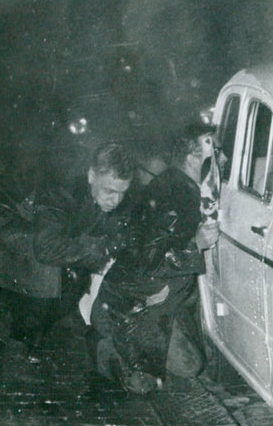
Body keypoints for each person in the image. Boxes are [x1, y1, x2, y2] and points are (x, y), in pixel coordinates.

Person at [91, 121, 222, 394]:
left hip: (153, 297)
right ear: (193, 157)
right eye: (214, 150)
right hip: (133, 305)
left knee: (188, 362)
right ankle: (106, 347)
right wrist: (195, 244)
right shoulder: (177, 196)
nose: (222, 156)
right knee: (161, 377)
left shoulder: (175, 183)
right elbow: (149, 258)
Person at [32, 141, 136, 345]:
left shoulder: (105, 197)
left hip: (67, 268)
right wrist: (101, 247)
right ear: (91, 176)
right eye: (110, 191)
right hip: (27, 272)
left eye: (122, 193)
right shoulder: (60, 195)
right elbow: (45, 247)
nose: (115, 200)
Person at [0, 151, 61, 364]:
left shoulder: (39, 179)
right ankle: (11, 337)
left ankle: (22, 337)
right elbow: (4, 229)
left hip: (22, 269)